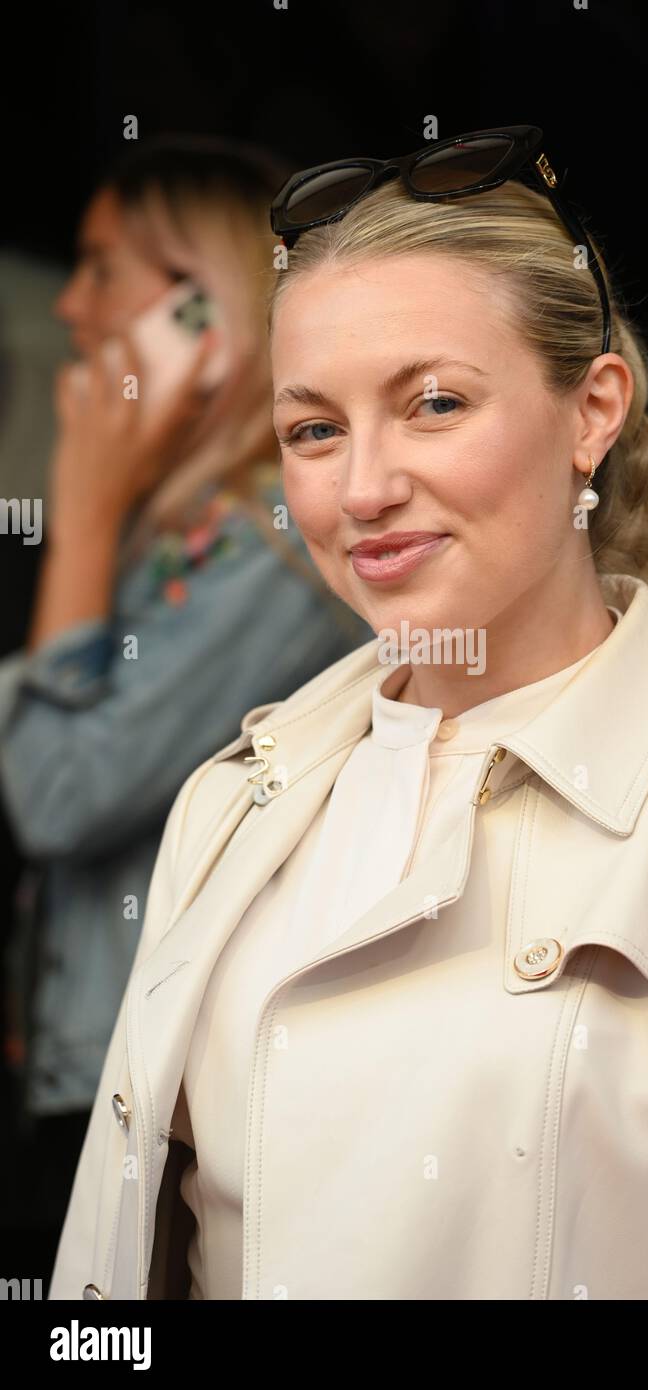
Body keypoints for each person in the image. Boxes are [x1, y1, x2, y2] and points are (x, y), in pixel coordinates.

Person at [47, 126, 648, 1301]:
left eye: (432, 403)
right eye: (314, 429)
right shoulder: (226, 806)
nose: (364, 488)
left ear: (592, 411)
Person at [0, 134, 369, 1256]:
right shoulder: (190, 538)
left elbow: (56, 795)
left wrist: (85, 499)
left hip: (156, 1097)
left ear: (205, 311)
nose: (71, 304)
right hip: (104, 1075)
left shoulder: (264, 550)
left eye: (103, 267)